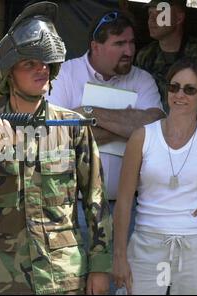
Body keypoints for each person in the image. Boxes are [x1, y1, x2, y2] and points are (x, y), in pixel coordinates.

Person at [0, 1, 112, 295]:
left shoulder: (73, 128)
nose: (41, 69)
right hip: (4, 280)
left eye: (45, 64)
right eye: (29, 63)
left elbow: (96, 202)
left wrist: (101, 266)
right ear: (8, 73)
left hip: (65, 277)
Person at [113, 56, 197, 295]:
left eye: (190, 89)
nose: (180, 95)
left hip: (195, 247)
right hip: (147, 244)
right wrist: (119, 255)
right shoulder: (142, 136)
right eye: (174, 87)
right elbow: (124, 201)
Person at [46, 10, 164, 252]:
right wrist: (129, 128)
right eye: (119, 43)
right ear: (95, 46)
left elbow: (157, 128)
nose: (129, 51)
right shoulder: (65, 74)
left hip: (127, 208)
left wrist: (89, 114)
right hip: (72, 207)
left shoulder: (143, 79)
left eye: (131, 42)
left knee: (120, 284)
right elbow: (58, 135)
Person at [135, 0, 197, 113]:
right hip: (153, 125)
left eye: (160, 13)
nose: (151, 20)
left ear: (178, 18)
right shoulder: (145, 55)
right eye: (150, 14)